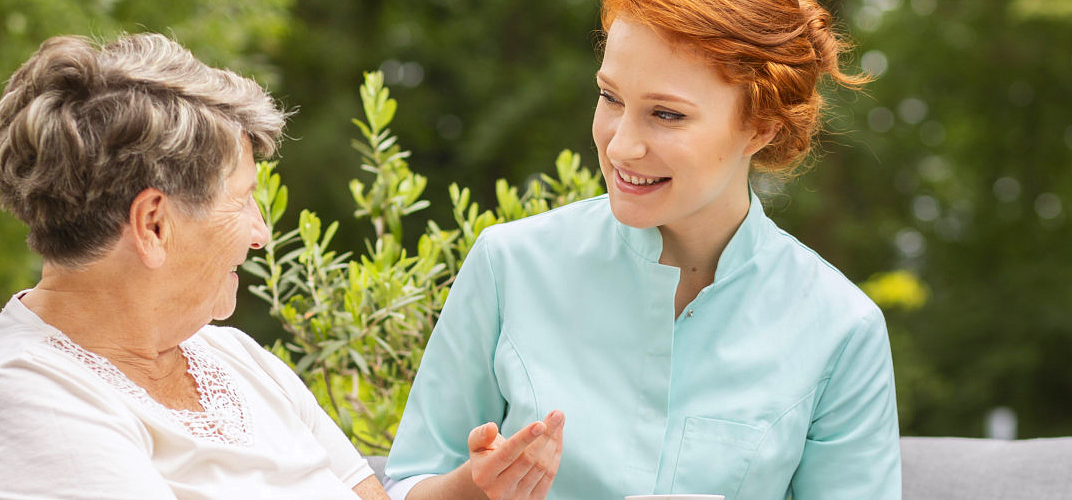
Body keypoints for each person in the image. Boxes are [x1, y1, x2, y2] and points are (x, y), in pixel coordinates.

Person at [382, 0, 897, 499]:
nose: (621, 146)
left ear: (761, 128)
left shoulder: (841, 330)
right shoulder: (509, 265)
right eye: (611, 97)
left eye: (667, 115)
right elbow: (405, 484)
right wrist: (474, 490)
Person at [0, 33, 390, 500]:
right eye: (241, 202)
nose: (260, 234)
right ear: (153, 224)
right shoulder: (26, 400)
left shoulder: (235, 357)